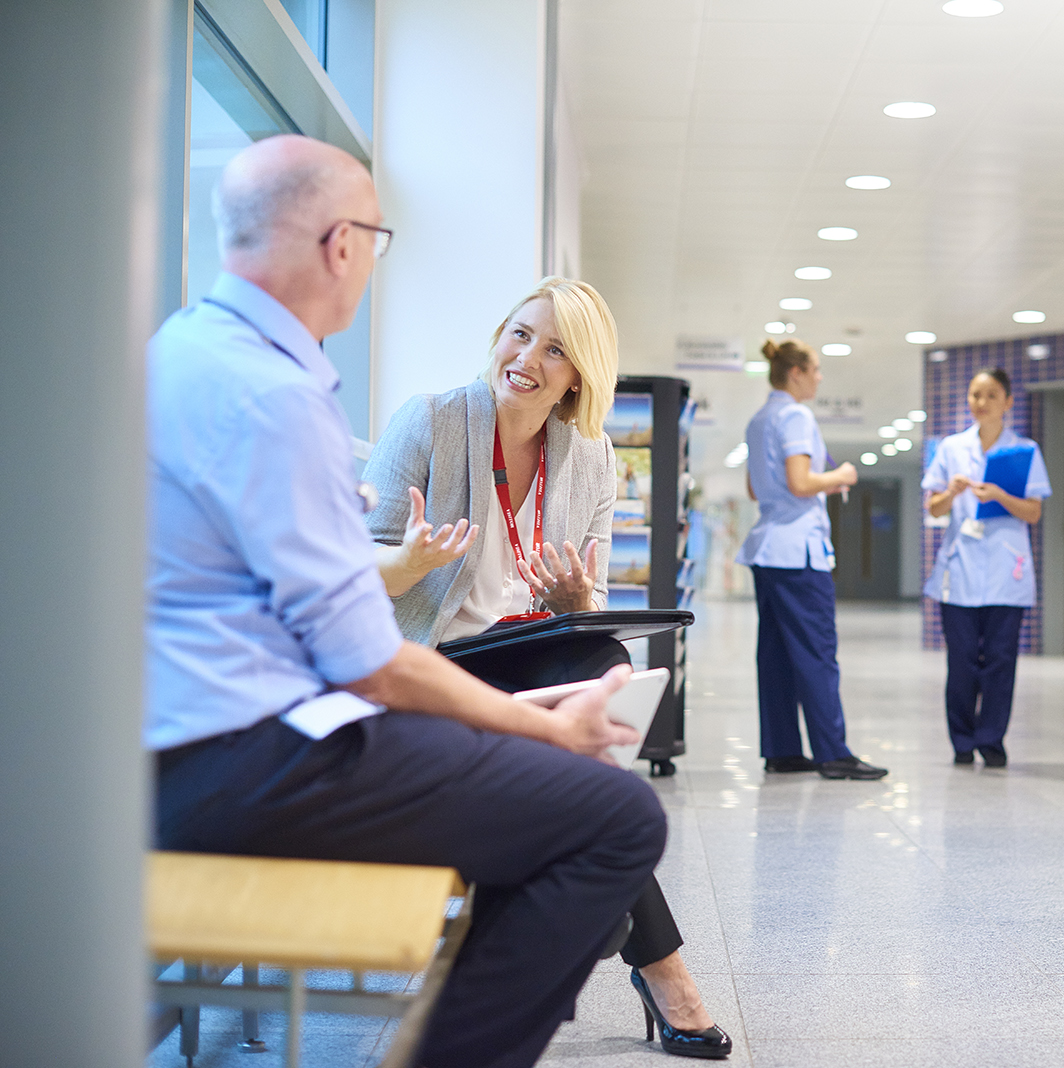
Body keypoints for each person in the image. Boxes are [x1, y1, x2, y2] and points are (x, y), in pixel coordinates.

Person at [146, 134, 666, 1068]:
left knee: (580, 726)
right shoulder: (286, 397)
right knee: (617, 817)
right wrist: (547, 731)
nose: (528, 357)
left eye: (554, 350)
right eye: (377, 242)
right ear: (342, 244)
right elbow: (372, 661)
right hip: (256, 749)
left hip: (194, 734)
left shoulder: (184, 353)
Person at [362, 277, 731, 1059]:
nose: (527, 357)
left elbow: (584, 592)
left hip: (521, 650)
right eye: (521, 334)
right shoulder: (429, 422)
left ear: (578, 376)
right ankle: (663, 971)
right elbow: (354, 580)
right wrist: (408, 562)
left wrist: (576, 596)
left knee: (599, 654)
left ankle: (594, 917)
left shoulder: (589, 457)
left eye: (556, 349)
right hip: (437, 660)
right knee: (585, 763)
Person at [737, 339, 888, 781]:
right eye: (816, 369)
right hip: (799, 551)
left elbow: (753, 489)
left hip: (768, 549)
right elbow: (801, 482)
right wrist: (840, 476)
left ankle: (782, 749)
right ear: (797, 372)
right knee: (817, 652)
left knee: (777, 654)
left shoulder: (759, 418)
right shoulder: (796, 415)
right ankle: (832, 753)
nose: (820, 377)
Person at [922, 368, 1052, 768]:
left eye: (991, 395)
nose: (981, 402)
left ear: (1008, 402)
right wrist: (952, 492)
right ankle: (962, 740)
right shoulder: (951, 448)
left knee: (1000, 660)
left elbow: (1033, 511)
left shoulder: (1024, 450)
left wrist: (999, 495)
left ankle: (991, 738)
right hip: (959, 572)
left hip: (1005, 571)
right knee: (960, 660)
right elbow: (932, 507)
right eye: (975, 394)